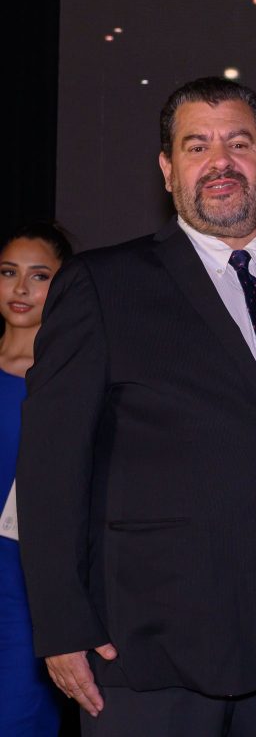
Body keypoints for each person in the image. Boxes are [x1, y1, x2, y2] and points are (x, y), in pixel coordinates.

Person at [17, 78, 256, 736]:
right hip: (153, 651)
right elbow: (50, 467)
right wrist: (62, 624)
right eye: (196, 146)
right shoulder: (103, 285)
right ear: (167, 169)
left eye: (239, 143)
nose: (220, 162)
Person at [0, 223, 72, 736]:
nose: (20, 288)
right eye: (9, 272)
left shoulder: (69, 381)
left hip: (27, 586)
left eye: (39, 275)